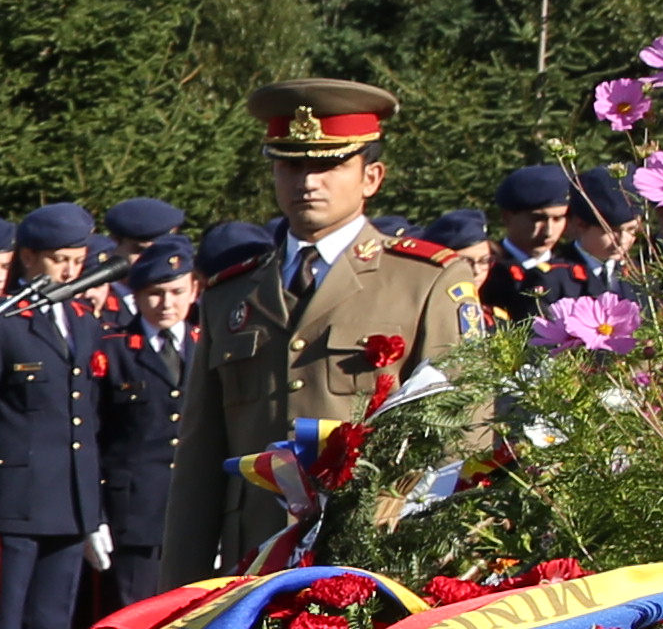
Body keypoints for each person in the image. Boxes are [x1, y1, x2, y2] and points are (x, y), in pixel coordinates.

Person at [204, 80, 484, 568]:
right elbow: (199, 459)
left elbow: (466, 432)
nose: (307, 181)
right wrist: (182, 585)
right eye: (291, 163)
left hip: (378, 559)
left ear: (371, 177)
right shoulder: (232, 293)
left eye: (329, 164)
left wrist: (447, 568)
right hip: (252, 558)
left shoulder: (426, 281)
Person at [0, 204, 117, 629]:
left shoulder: (81, 320)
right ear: (27, 259)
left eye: (77, 260)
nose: (72, 271)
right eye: (59, 260)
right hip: (16, 498)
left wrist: (92, 509)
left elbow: (84, 418)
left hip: (69, 501)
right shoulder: (3, 325)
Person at [96, 236, 211, 596]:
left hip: (195, 505)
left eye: (177, 292)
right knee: (134, 614)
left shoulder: (205, 344)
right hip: (134, 509)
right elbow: (96, 433)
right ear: (136, 295)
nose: (166, 304)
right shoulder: (113, 349)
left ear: (194, 290)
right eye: (155, 294)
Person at [477, 165, 580, 324]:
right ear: (507, 217)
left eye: (558, 218)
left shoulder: (573, 270)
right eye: (537, 219)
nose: (549, 231)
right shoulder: (485, 270)